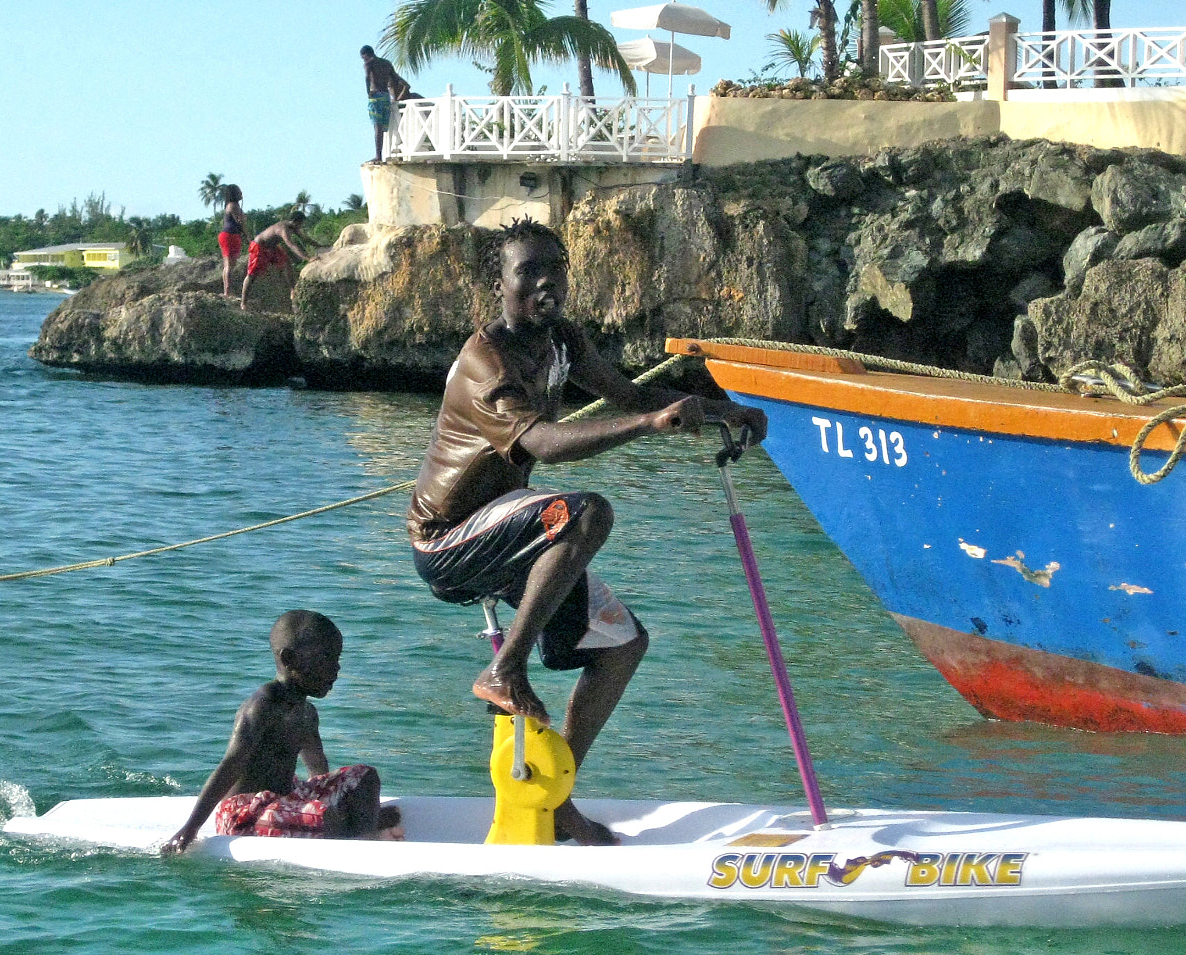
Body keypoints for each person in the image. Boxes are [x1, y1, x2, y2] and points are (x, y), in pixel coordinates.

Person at [407, 218, 767, 845]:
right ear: (502, 284)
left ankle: (552, 795)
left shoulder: (563, 341)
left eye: (556, 269)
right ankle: (506, 670)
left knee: (622, 644)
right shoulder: (484, 361)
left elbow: (625, 394)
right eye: (529, 272)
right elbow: (545, 441)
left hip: (518, 532)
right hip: (448, 539)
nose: (547, 282)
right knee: (587, 512)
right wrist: (652, 425)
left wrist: (721, 411)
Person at [161, 610, 401, 855]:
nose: (336, 668)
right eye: (326, 658)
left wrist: (352, 805)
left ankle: (361, 833)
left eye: (337, 658)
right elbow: (230, 766)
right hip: (246, 813)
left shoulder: (307, 712)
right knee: (324, 816)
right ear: (289, 659)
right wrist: (190, 828)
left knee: (366, 776)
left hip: (287, 799)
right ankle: (361, 837)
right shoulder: (263, 705)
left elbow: (319, 773)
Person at [238, 211, 311, 311]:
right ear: (295, 222)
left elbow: (305, 239)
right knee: (252, 275)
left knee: (286, 263)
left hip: (272, 247)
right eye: (301, 224)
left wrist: (321, 246)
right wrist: (307, 258)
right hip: (259, 246)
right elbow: (292, 246)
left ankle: (292, 289)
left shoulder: (293, 227)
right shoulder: (283, 229)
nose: (301, 226)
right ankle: (243, 303)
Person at [360, 45, 417, 164]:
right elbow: (399, 80)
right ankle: (387, 152)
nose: (363, 60)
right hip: (386, 97)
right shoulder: (386, 63)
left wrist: (368, 93)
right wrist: (400, 96)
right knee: (385, 127)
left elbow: (367, 79)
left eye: (363, 58)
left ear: (365, 55)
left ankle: (378, 155)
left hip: (375, 97)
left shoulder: (369, 64)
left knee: (377, 127)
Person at [218, 184, 246, 299]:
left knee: (230, 264)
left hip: (232, 235)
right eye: (239, 192)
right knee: (229, 264)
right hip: (229, 235)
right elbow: (240, 222)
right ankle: (227, 290)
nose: (241, 194)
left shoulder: (234, 206)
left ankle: (227, 289)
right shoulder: (233, 206)